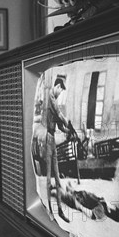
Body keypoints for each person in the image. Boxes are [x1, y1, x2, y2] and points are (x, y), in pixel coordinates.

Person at [32, 73, 69, 221]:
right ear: (57, 86)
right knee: (48, 178)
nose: (61, 93)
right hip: (47, 138)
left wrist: (68, 131)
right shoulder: (49, 97)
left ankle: (59, 209)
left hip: (52, 139)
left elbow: (59, 123)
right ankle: (50, 211)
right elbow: (59, 114)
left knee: (57, 177)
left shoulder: (54, 101)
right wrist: (67, 122)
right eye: (61, 90)